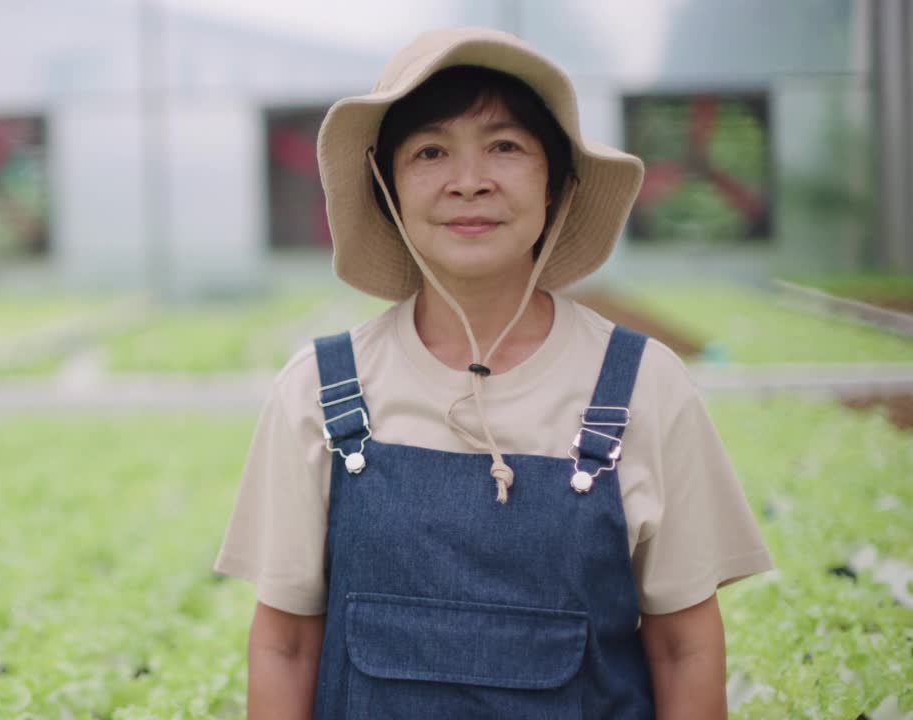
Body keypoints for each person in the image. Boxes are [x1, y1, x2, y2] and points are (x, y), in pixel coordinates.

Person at [214, 27, 772, 719]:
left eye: (505, 146)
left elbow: (683, 644)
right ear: (386, 188)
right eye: (430, 151)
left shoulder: (642, 384)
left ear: (557, 185)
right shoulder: (320, 389)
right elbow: (286, 643)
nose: (469, 181)